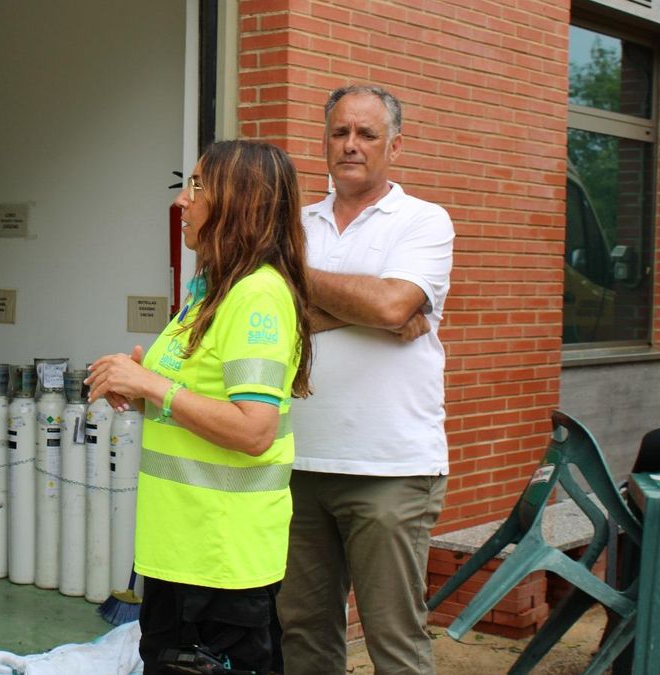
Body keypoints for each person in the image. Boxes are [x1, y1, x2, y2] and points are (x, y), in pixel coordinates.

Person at [86, 140, 312, 674]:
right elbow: (192, 407)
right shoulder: (208, 291)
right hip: (181, 554)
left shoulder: (257, 296)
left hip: (221, 563)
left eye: (197, 187)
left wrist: (152, 385)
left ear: (241, 201)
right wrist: (143, 393)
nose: (181, 202)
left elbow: (254, 430)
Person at [277, 85, 454, 675]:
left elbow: (390, 306)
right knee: (301, 630)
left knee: (394, 641)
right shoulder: (296, 222)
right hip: (299, 463)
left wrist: (300, 278)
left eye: (367, 134)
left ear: (394, 145)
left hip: (391, 470)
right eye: (339, 133)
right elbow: (274, 318)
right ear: (325, 141)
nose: (351, 145)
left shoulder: (424, 221)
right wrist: (375, 306)